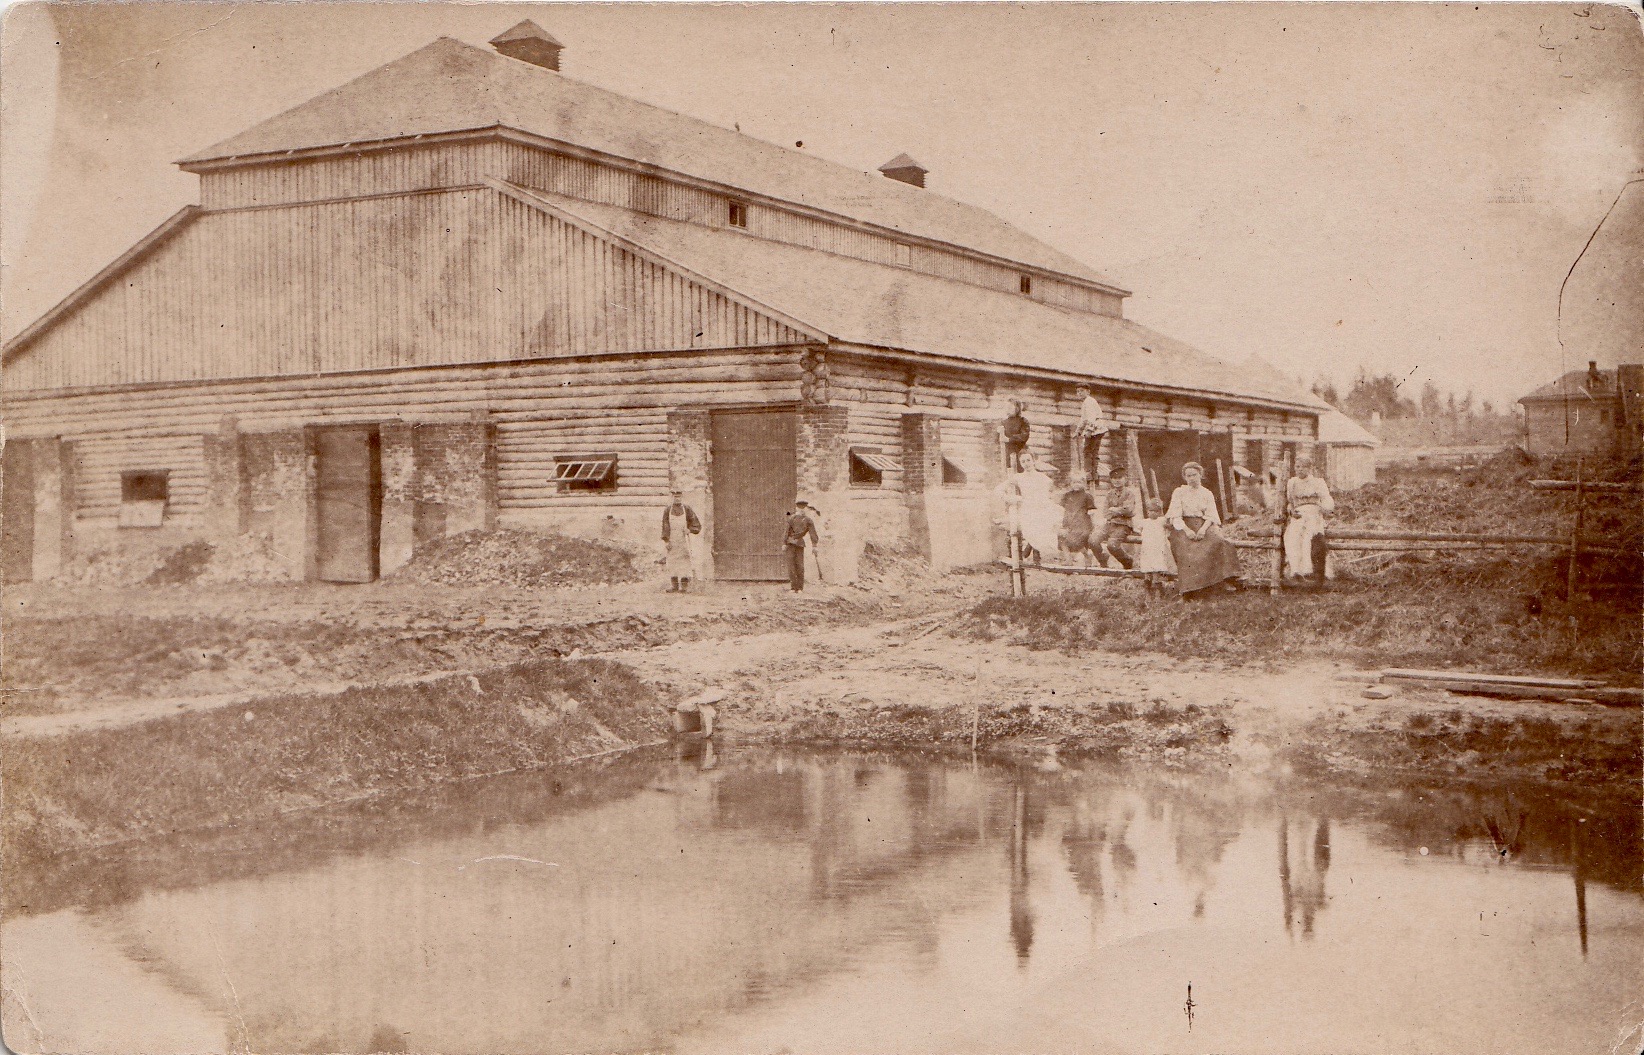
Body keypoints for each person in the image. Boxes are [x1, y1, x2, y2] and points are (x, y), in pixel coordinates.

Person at [1165, 462, 1243, 597]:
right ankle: (1191, 589)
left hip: (1204, 524)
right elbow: (1175, 516)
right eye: (1188, 476)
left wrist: (1202, 530)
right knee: (1187, 549)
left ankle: (1223, 581)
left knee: (1220, 542)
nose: (1191, 478)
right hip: (1183, 526)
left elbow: (1211, 515)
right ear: (1184, 477)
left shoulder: (1206, 493)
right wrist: (1187, 530)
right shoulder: (1179, 492)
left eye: (1194, 475)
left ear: (1200, 475)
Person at [1284, 457, 1336, 584]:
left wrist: (1325, 509)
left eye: (1303, 467)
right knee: (1292, 535)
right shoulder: (1292, 483)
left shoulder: (1317, 482)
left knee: (1309, 536)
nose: (1300, 469)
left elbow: (1327, 499)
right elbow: (1290, 503)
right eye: (1297, 466)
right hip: (1298, 515)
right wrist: (1291, 511)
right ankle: (1296, 571)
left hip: (1314, 513)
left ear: (1309, 468)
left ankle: (1309, 571)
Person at [1004, 450, 1060, 563]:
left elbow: (1049, 494)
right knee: (1028, 524)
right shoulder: (1018, 477)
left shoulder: (1042, 478)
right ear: (1020, 463)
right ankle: (1023, 553)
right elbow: (1001, 488)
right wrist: (1014, 498)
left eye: (1028, 460)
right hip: (1026, 508)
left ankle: (1034, 552)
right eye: (1023, 461)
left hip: (1040, 507)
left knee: (1043, 522)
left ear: (1034, 461)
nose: (1026, 463)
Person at [1096, 464, 1142, 570]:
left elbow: (1128, 510)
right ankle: (1103, 560)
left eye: (1120, 478)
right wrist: (1119, 511)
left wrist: (1114, 510)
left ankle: (1128, 562)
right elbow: (1105, 513)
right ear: (1111, 480)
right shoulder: (1109, 494)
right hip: (1110, 524)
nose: (1117, 480)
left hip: (1123, 525)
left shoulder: (1129, 493)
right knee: (1093, 540)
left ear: (1125, 479)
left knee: (1112, 545)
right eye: (1114, 478)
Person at [660, 489, 702, 593]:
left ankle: (684, 587)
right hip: (672, 540)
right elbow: (665, 526)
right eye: (675, 497)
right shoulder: (668, 510)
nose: (677, 499)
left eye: (679, 497)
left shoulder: (687, 509)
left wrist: (690, 530)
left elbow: (696, 523)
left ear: (681, 497)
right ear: (672, 497)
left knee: (685, 562)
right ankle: (674, 586)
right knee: (672, 561)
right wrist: (667, 541)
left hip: (684, 540)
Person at [1135, 496, 1177, 592]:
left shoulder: (1161, 521)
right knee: (1147, 565)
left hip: (1158, 548)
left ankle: (1157, 584)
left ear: (1159, 512)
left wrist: (1169, 523)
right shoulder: (1144, 522)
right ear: (1147, 512)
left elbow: (1170, 526)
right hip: (1147, 547)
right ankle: (1147, 584)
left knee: (1157, 565)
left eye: (1156, 511)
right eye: (1151, 511)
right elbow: (1137, 529)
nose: (1153, 513)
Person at [1058, 474, 1099, 566]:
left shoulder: (1087, 496)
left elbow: (1092, 512)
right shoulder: (1067, 495)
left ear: (1084, 483)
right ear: (1070, 483)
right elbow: (1062, 509)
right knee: (1061, 537)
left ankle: (1087, 555)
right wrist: (1061, 522)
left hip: (1083, 524)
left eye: (1079, 482)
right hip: (1069, 522)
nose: (1076, 484)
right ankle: (1068, 559)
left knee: (1075, 540)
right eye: (1074, 482)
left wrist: (1094, 525)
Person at [783, 498, 820, 592]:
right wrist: (784, 543)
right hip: (790, 543)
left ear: (806, 508)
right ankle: (793, 587)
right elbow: (787, 531)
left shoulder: (808, 520)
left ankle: (799, 588)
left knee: (800, 566)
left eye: (803, 507)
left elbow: (813, 533)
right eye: (800, 507)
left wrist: (814, 545)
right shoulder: (792, 518)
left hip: (800, 544)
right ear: (796, 508)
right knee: (791, 565)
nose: (802, 509)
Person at [1074, 386, 1110, 474]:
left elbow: (1091, 417)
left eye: (1082, 391)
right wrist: (1078, 431)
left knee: (1088, 451)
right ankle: (1093, 473)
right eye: (1078, 391)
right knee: (1092, 452)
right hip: (1096, 428)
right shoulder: (1085, 402)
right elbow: (1083, 419)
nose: (1079, 393)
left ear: (1088, 392)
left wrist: (1090, 430)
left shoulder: (1089, 401)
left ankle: (1089, 474)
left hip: (1095, 429)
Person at [1001, 401, 1031, 470]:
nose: (1008, 409)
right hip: (1008, 453)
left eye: (1010, 407)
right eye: (1007, 407)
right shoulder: (1004, 422)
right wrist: (998, 431)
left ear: (1017, 408)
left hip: (1020, 452)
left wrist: (1009, 439)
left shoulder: (1023, 421)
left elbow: (1024, 436)